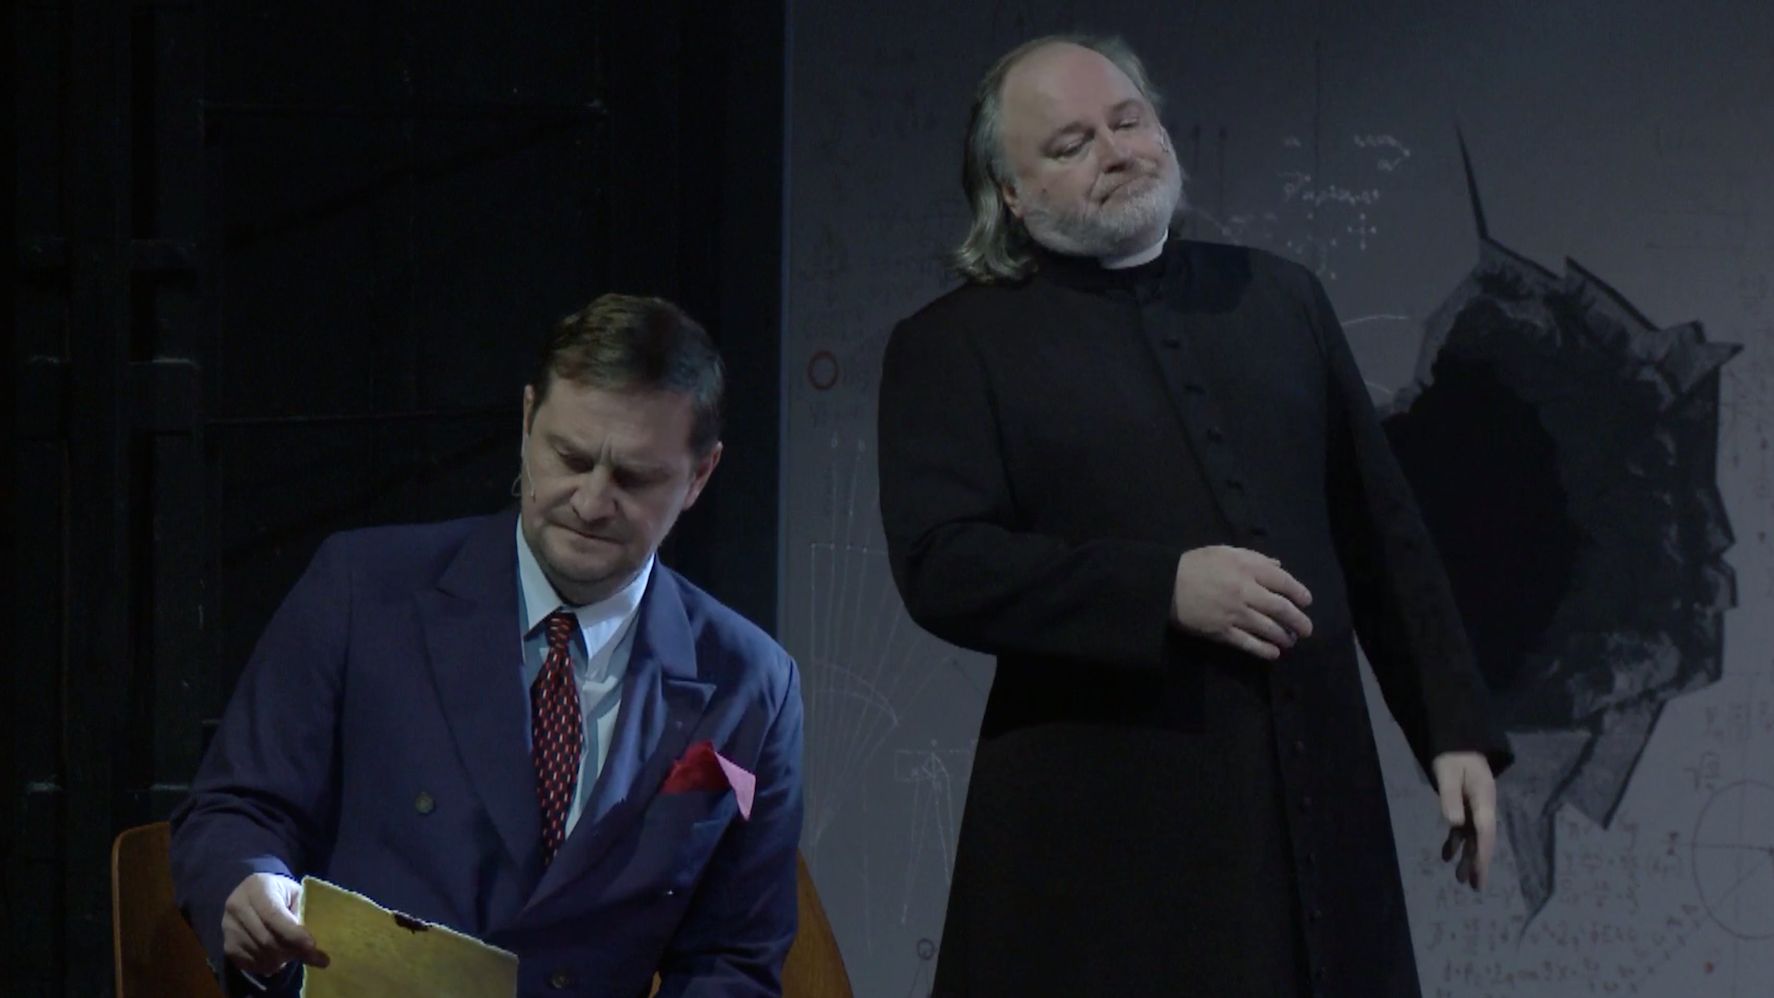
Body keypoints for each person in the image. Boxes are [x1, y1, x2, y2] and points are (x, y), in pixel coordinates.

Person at [876, 35, 1512, 997]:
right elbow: (942, 563)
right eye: (1071, 144)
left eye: (1129, 122)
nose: (1116, 152)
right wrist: (1162, 588)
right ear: (1009, 193)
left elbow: (1379, 531)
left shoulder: (1282, 298)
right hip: (1102, 829)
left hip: (1315, 795)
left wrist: (1451, 726)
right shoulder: (953, 344)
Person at [172, 294, 804, 997]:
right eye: (570, 458)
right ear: (528, 419)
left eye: (634, 477)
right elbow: (239, 808)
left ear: (700, 475)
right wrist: (248, 883)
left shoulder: (750, 683)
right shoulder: (363, 592)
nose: (591, 502)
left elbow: (733, 957)